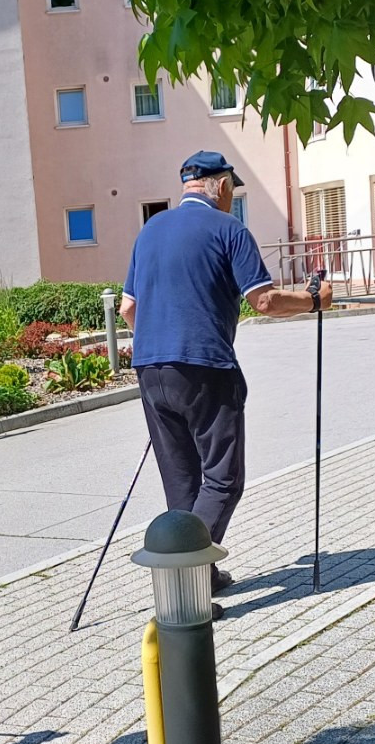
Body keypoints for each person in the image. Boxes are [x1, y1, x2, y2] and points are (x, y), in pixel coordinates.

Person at [120, 150, 331, 601]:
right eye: (232, 189)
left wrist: (162, 344)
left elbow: (128, 308)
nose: (232, 197)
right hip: (205, 367)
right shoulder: (229, 230)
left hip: (150, 370)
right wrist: (315, 301)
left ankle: (202, 574)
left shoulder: (151, 230)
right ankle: (186, 581)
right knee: (222, 478)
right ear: (218, 185)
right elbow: (265, 301)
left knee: (181, 481)